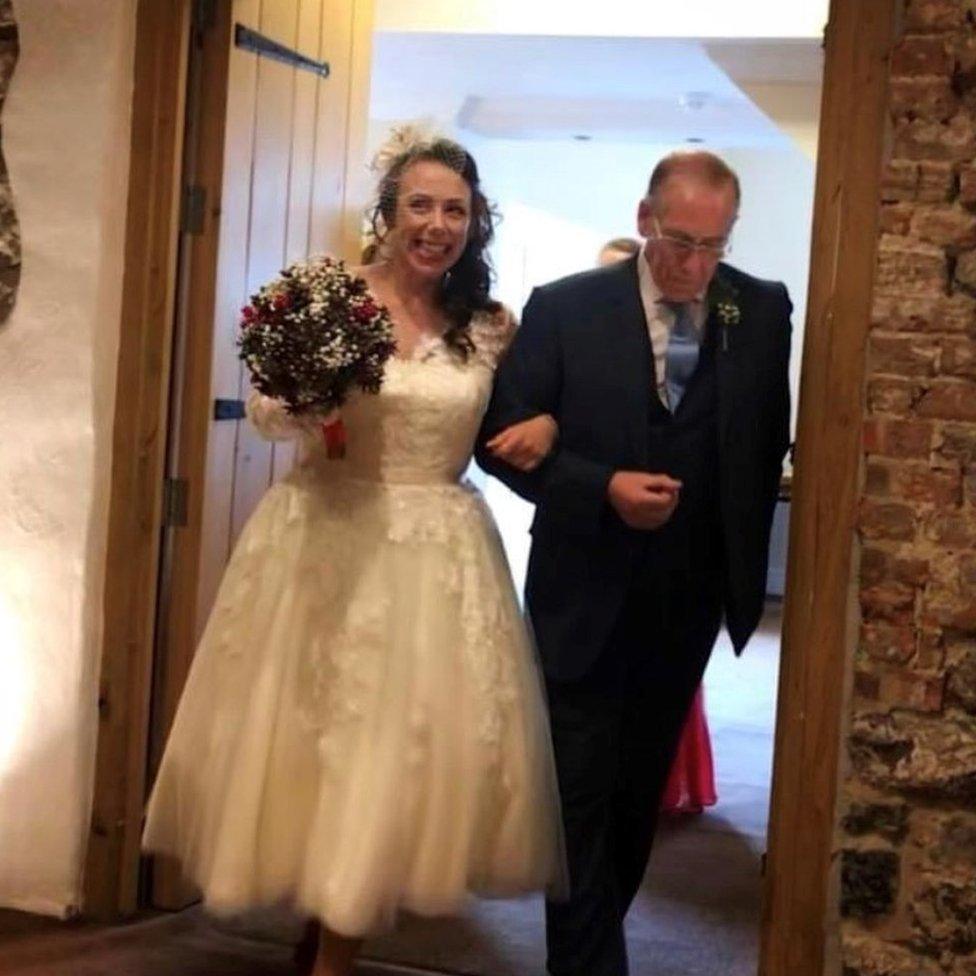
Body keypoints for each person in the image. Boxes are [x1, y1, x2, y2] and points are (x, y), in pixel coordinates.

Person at [142, 128, 566, 976]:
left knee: (392, 749)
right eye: (421, 204)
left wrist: (549, 421)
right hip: (325, 535)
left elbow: (512, 421)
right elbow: (266, 414)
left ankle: (335, 948)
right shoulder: (330, 300)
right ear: (388, 212)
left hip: (438, 556)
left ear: (475, 223)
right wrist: (307, 397)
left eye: (456, 209)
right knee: (314, 741)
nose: (437, 223)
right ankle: (323, 932)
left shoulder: (488, 327)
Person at [477, 150, 791, 976]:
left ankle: (591, 948)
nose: (695, 265)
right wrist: (598, 483)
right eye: (681, 241)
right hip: (581, 590)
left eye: (714, 246)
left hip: (687, 597)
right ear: (647, 217)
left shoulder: (757, 309)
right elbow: (503, 441)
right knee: (576, 795)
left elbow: (763, 444)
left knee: (633, 796)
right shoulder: (566, 308)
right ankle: (588, 966)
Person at [594, 235, 718, 819]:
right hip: (591, 557)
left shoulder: (743, 313)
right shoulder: (570, 316)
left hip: (684, 568)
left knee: (655, 727)